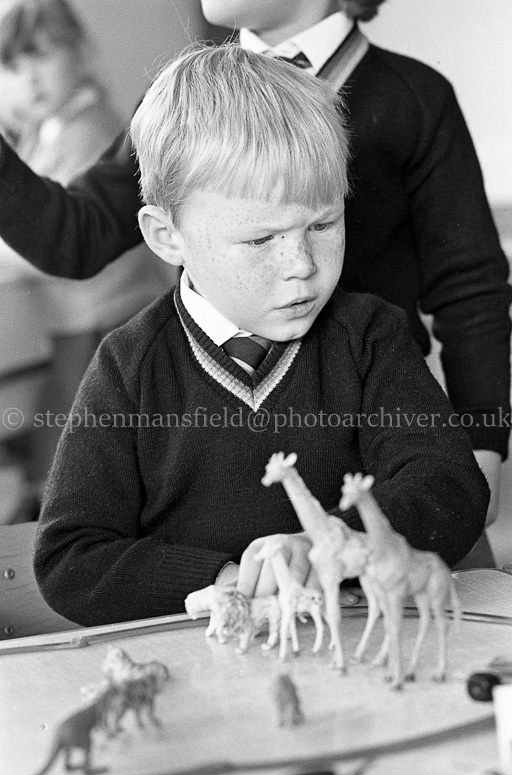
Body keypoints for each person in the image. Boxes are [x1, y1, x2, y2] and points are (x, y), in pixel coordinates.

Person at [0, 0, 508, 553]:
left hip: (384, 437)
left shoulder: (413, 95)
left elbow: (469, 286)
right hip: (222, 434)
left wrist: (483, 443)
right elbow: (76, 237)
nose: (299, 263)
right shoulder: (185, 107)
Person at [0, 0, 171, 520]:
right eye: (12, 66)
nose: (31, 79)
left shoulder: (88, 128)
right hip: (77, 326)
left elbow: (44, 240)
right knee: (58, 441)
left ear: (80, 51)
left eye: (44, 56)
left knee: (70, 447)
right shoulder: (42, 134)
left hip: (110, 319)